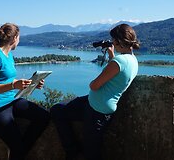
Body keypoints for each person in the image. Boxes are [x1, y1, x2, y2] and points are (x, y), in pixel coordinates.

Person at [50, 23, 140, 160]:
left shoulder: (119, 61)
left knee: (91, 152)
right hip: (99, 105)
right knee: (58, 110)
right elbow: (116, 74)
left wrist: (93, 81)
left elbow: (94, 86)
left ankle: (72, 152)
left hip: (97, 110)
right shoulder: (132, 60)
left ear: (118, 41)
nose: (113, 43)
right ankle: (73, 153)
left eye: (114, 40)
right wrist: (111, 55)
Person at [0, 23, 50, 160]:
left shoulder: (9, 55)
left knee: (44, 116)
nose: (19, 40)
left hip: (11, 99)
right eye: (19, 37)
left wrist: (31, 83)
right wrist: (14, 85)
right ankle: (18, 149)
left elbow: (7, 80)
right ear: (15, 37)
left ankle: (19, 149)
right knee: (18, 148)